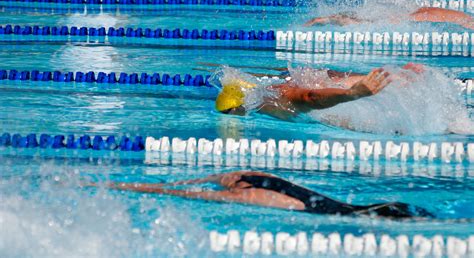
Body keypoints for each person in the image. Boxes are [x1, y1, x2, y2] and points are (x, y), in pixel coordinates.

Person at [87, 171, 433, 219]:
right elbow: (193, 188)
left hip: (363, 215)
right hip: (372, 207)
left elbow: (189, 189)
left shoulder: (258, 186)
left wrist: (117, 185)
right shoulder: (266, 185)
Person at [214, 62, 423, 121]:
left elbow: (310, 97)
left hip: (367, 108)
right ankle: (398, 78)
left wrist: (353, 94)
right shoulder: (266, 94)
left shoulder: (271, 101)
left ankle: (398, 79)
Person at [304, 7, 474, 30]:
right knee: (374, 23)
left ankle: (329, 19)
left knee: (373, 21)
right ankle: (328, 19)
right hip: (426, 15)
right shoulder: (469, 21)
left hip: (427, 14)